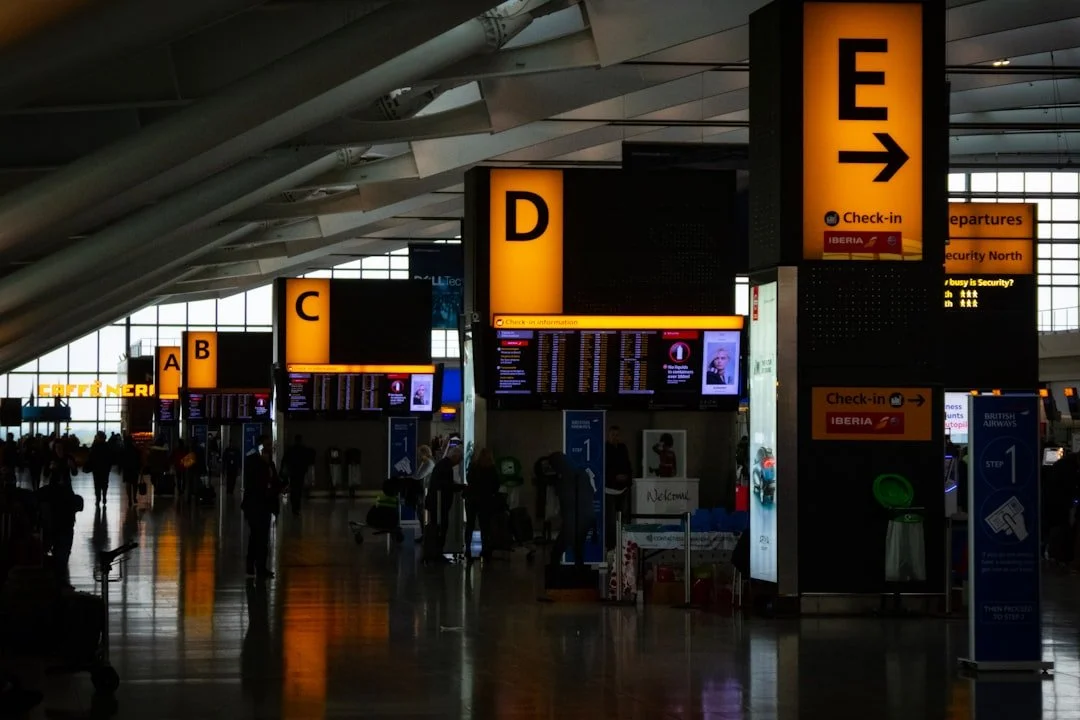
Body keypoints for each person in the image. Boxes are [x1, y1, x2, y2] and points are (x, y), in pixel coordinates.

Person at [548, 451, 595, 569]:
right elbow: (589, 494)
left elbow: (566, 503)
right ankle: (581, 580)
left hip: (573, 521)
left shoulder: (563, 480)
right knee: (578, 551)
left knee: (557, 551)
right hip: (586, 519)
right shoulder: (581, 473)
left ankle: (556, 580)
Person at [242, 436, 281, 579]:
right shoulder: (253, 462)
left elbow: (274, 481)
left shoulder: (269, 462)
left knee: (259, 537)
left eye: (270, 445)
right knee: (259, 537)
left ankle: (255, 565)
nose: (270, 448)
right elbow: (253, 483)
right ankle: (257, 566)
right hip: (255, 505)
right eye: (267, 445)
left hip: (265, 505)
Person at [40, 442, 80, 563]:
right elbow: (46, 474)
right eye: (57, 448)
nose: (59, 450)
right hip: (54, 489)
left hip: (66, 488)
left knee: (66, 510)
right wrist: (50, 468)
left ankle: (64, 528)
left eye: (60, 447)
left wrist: (72, 466)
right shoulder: (51, 459)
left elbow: (75, 472)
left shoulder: (68, 458)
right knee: (55, 510)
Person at [424, 446, 464, 557]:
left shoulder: (442, 464)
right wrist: (458, 487)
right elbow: (445, 485)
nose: (459, 462)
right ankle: (437, 551)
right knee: (440, 527)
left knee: (438, 526)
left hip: (436, 503)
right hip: (439, 504)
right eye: (459, 459)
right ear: (455, 457)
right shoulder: (446, 466)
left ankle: (436, 551)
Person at [464, 448, 500, 564]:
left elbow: (469, 479)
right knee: (485, 526)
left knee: (469, 524)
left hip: (472, 499)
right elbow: (496, 485)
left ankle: (468, 550)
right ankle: (485, 549)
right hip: (485, 500)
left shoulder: (474, 466)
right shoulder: (492, 468)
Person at [604, 426, 633, 549]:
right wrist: (614, 477)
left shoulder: (622, 448)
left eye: (617, 435)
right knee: (611, 520)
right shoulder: (605, 449)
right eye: (613, 435)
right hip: (610, 489)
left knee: (624, 518)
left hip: (623, 488)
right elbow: (604, 467)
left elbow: (627, 464)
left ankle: (623, 544)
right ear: (608, 436)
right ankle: (611, 545)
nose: (615, 437)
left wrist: (627, 479)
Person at [282, 435, 314, 516]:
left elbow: (285, 460)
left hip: (293, 472)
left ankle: (294, 507)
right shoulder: (304, 450)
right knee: (299, 489)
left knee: (293, 488)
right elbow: (309, 460)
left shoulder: (291, 450)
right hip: (301, 472)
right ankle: (297, 507)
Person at [411, 445, 435, 540]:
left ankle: (425, 534)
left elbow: (419, 476)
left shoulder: (428, 463)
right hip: (422, 491)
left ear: (424, 453)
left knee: (422, 513)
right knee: (420, 513)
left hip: (425, 492)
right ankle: (423, 534)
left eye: (419, 453)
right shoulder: (424, 463)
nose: (418, 455)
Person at [85, 431, 113, 507]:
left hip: (96, 468)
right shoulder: (107, 446)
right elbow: (110, 458)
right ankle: (104, 496)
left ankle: (98, 498)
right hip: (105, 468)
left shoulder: (95, 446)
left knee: (97, 484)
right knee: (104, 484)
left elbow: (90, 457)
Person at [121, 432, 142, 507]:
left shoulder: (123, 450)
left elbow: (121, 460)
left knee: (128, 484)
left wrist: (121, 468)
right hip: (134, 468)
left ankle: (129, 499)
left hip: (126, 469)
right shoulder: (135, 450)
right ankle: (134, 497)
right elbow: (139, 459)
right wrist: (139, 468)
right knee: (134, 484)